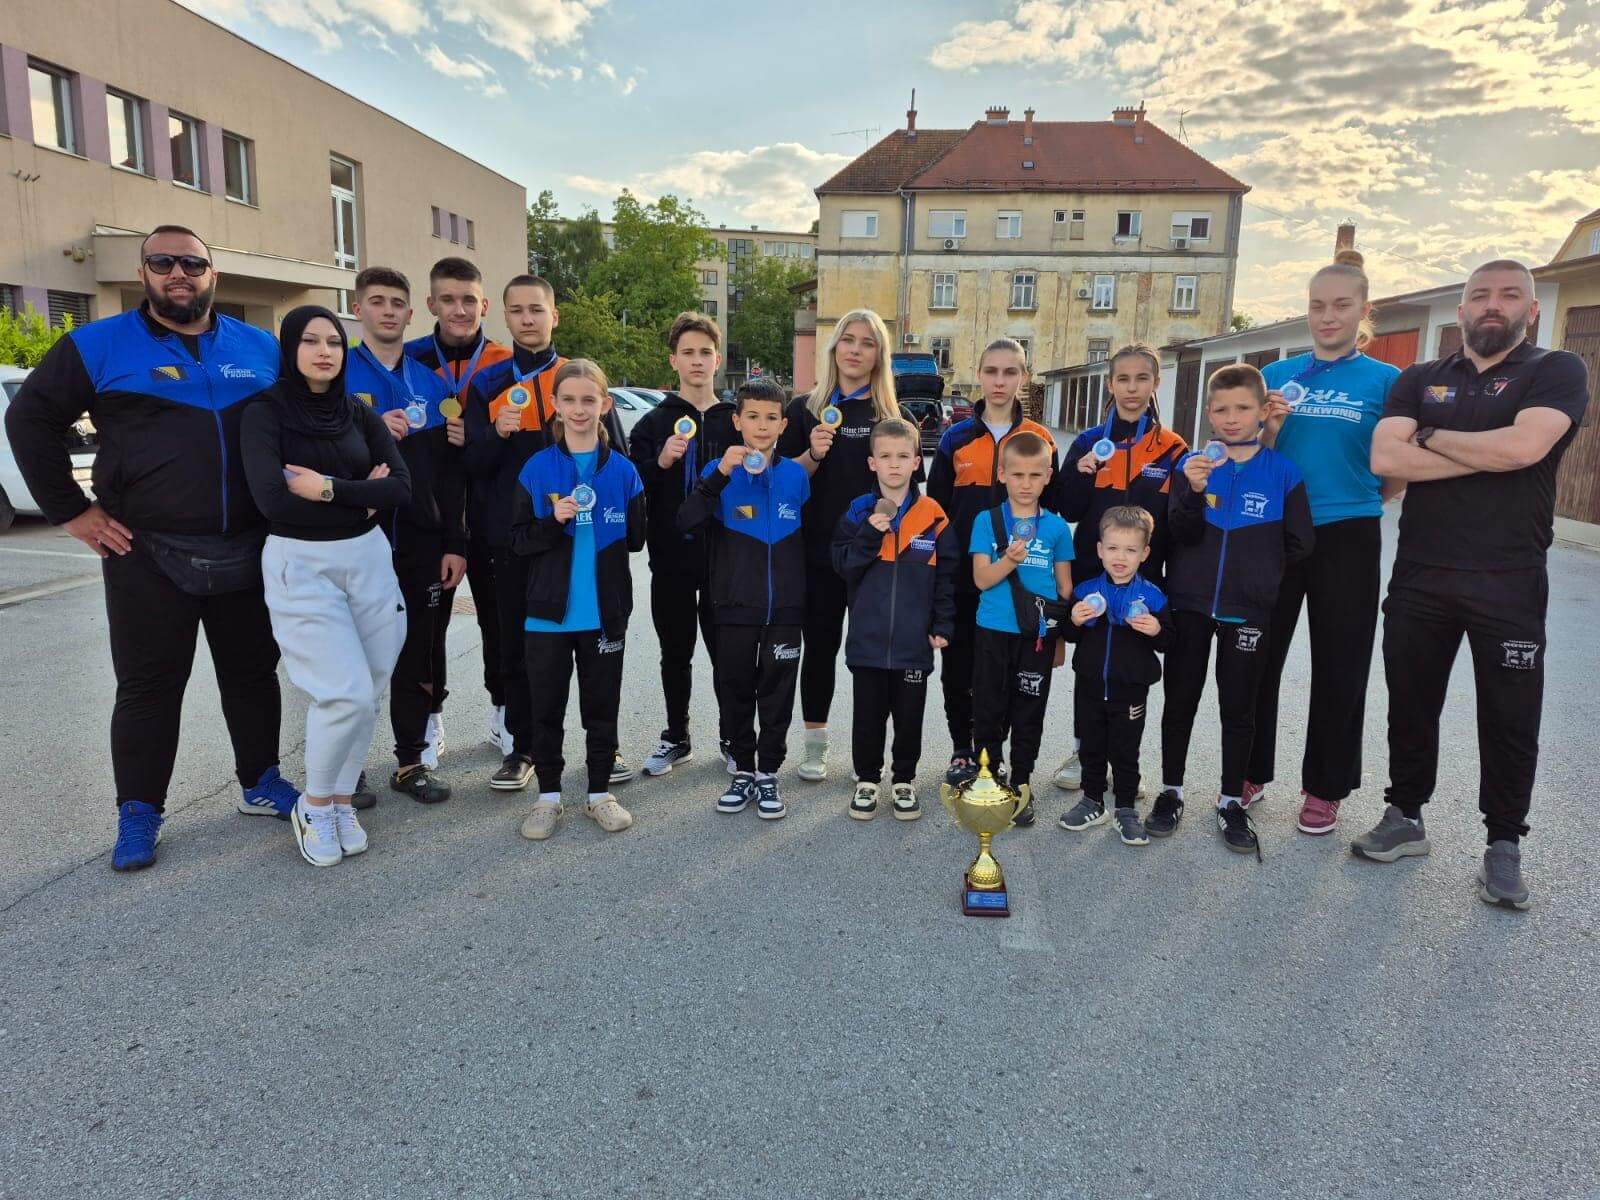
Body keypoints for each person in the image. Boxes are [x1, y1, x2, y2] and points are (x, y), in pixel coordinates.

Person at [4, 224, 300, 872]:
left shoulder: (259, 347)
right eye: (162, 262)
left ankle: (260, 782)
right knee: (149, 687)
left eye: (191, 263)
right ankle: (139, 811)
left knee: (252, 676)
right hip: (147, 552)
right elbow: (27, 419)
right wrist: (72, 511)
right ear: (143, 274)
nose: (177, 274)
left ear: (212, 274)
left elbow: (301, 423)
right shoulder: (97, 345)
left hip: (250, 548)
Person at [1355, 259, 1589, 910]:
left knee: (1510, 716)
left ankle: (1504, 844)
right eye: (1480, 295)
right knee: (1411, 702)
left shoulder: (1556, 370)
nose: (1493, 305)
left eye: (1509, 295)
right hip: (1422, 574)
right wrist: (1488, 451)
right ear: (1461, 311)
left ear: (1531, 311)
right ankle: (1405, 815)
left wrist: (1431, 436)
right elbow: (1386, 457)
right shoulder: (1419, 378)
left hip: (1509, 578)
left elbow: (1524, 450)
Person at [240, 306, 411, 868]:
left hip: (368, 559)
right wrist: (363, 496)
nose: (324, 351)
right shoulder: (264, 413)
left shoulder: (358, 414)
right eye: (311, 341)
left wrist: (329, 490)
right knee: (344, 692)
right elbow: (273, 501)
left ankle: (340, 800)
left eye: (334, 342)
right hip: (302, 564)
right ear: (289, 348)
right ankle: (313, 804)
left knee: (371, 688)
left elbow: (400, 489)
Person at [1245, 251, 1402, 834]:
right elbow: (1249, 454)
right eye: (1317, 305)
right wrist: (1269, 427)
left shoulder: (1386, 381)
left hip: (1349, 532)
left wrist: (1363, 498)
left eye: (1341, 305)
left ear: (1363, 310)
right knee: (1259, 655)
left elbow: (1394, 469)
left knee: (1341, 662)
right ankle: (1248, 770)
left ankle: (1325, 788)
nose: (1328, 316)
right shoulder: (1277, 374)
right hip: (1276, 529)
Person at [1161, 365, 1314, 858]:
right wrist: (1190, 491)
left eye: (1243, 408)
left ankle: (1231, 800)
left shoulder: (1283, 472)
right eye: (1222, 409)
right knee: (1180, 700)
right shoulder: (1192, 465)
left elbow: (1300, 542)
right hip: (1190, 605)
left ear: (1263, 411)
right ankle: (1170, 790)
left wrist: (1260, 576)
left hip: (1248, 611)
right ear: (1209, 413)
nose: (1232, 418)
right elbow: (1178, 533)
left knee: (1239, 707)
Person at [510, 361, 645, 841]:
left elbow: (636, 540)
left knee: (601, 708)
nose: (579, 409)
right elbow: (518, 541)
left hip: (604, 614)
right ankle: (548, 796)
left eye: (589, 400)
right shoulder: (537, 468)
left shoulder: (624, 471)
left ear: (605, 405)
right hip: (547, 617)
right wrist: (554, 522)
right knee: (546, 709)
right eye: (569, 400)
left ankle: (599, 793)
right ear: (555, 406)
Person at [348, 266, 464, 806]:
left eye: (397, 303)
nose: (388, 311)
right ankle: (346, 768)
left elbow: (449, 475)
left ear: (411, 313)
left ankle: (410, 761)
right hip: (353, 539)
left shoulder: (433, 385)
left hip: (421, 542)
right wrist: (369, 436)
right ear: (358, 310)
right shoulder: (337, 375)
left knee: (418, 650)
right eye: (377, 301)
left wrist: (454, 541)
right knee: (351, 658)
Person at [1051, 343, 1187, 794]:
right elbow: (1068, 508)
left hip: (1144, 574)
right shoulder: (1089, 442)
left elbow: (1179, 520)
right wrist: (1080, 474)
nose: (1132, 388)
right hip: (1093, 571)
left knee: (1131, 666)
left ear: (1155, 384)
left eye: (1141, 378)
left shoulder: (1172, 448)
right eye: (1123, 379)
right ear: (1110, 384)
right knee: (1091, 667)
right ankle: (1083, 751)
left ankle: (1125, 760)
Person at [927, 337, 1060, 787]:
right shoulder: (956, 438)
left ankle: (993, 752)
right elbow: (937, 510)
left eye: (1010, 372)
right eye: (992, 371)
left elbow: (1054, 510)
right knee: (960, 669)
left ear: (1024, 376)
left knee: (1004, 674)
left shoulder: (1040, 439)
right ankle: (962, 750)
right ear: (979, 375)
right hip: (968, 579)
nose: (1000, 381)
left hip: (1020, 584)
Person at [777, 309, 902, 783]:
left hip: (875, 558)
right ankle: (815, 746)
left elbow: (907, 495)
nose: (855, 350)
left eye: (867, 343)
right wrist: (812, 453)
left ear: (879, 355)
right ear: (834, 348)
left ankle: (868, 755)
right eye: (848, 340)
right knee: (820, 649)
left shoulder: (894, 417)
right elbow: (783, 484)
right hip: (817, 555)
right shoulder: (803, 409)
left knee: (872, 656)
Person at [678, 378, 810, 821]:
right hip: (733, 606)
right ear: (737, 421)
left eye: (771, 417)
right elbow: (686, 521)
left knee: (777, 691)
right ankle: (743, 770)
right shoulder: (718, 472)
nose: (762, 425)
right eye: (752, 416)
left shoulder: (795, 476)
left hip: (785, 609)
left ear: (784, 424)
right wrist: (718, 475)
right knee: (734, 689)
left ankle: (768, 772)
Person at [405, 257, 512, 763]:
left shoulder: (505, 363)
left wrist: (480, 435)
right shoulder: (408, 360)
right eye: (448, 299)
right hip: (433, 513)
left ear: (484, 305)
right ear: (431, 304)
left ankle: (503, 711)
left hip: (490, 512)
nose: (459, 309)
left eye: (469, 300)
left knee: (499, 620)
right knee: (430, 626)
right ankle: (431, 716)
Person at [627, 312, 739, 776]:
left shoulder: (735, 420)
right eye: (687, 352)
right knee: (675, 652)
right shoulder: (653, 423)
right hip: (671, 557)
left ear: (718, 359)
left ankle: (733, 736)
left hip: (723, 558)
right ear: (673, 360)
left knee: (726, 652)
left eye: (704, 353)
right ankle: (677, 735)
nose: (697, 361)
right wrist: (660, 462)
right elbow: (633, 486)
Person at [831, 417, 957, 821]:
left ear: (917, 461)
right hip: (867, 642)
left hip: (912, 643)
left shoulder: (933, 515)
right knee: (867, 717)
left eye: (903, 456)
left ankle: (904, 779)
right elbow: (843, 564)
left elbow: (947, 576)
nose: (894, 464)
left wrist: (942, 623)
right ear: (872, 463)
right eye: (885, 456)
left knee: (909, 717)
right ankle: (867, 780)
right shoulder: (858, 510)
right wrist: (870, 534)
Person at [967, 431, 1074, 827]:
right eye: (1017, 475)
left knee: (1029, 710)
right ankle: (989, 777)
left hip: (1038, 637)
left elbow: (1064, 589)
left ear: (1048, 476)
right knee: (988, 708)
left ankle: (1022, 783)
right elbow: (981, 579)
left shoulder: (1057, 528)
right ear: (1002, 475)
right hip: (993, 630)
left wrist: (1059, 639)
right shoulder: (987, 521)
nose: (1026, 484)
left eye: (1034, 475)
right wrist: (1010, 560)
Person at [1058, 507, 1173, 845]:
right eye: (1112, 548)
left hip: (1130, 689)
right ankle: (1092, 801)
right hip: (1090, 685)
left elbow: (1169, 641)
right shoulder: (1086, 591)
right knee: (1091, 747)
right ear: (1099, 550)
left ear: (1145, 553)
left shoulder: (1153, 596)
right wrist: (1074, 620)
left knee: (1125, 751)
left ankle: (1125, 809)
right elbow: (1069, 634)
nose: (1120, 557)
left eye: (1130, 550)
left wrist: (1156, 629)